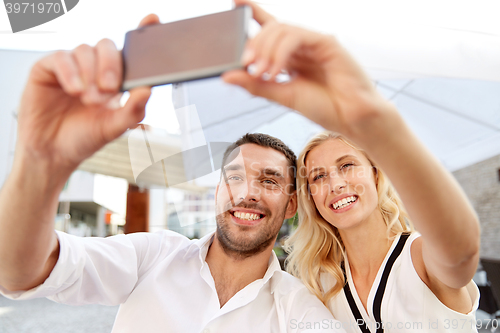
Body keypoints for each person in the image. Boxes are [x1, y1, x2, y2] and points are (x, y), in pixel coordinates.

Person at [0, 7, 344, 333]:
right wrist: (38, 163)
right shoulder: (152, 257)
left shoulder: (299, 310)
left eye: (269, 180)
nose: (247, 192)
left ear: (292, 204)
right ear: (218, 190)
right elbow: (19, 273)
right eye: (235, 177)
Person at [220, 1, 481, 332]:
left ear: (375, 174)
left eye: (347, 165)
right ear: (309, 197)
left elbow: (460, 253)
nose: (336, 184)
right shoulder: (319, 284)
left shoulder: (418, 256)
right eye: (318, 176)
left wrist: (380, 127)